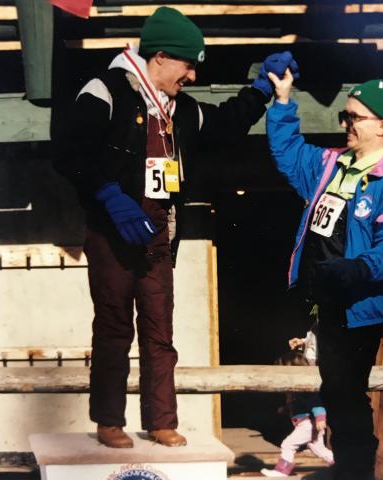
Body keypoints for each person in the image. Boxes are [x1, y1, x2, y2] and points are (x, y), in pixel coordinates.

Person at [53, 7, 299, 449]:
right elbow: (72, 152)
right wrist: (110, 195)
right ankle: (109, 420)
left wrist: (261, 88)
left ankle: (160, 420)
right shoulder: (106, 90)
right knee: (113, 329)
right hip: (113, 233)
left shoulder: (177, 109)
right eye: (188, 66)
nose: (191, 76)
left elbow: (223, 124)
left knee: (160, 332)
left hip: (157, 238)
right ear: (161, 57)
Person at [266, 69, 383, 479]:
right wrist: (283, 99)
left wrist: (358, 268)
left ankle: (356, 472)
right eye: (346, 115)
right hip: (327, 299)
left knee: (346, 395)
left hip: (360, 306)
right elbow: (288, 152)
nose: (345, 123)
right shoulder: (333, 164)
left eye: (354, 117)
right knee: (336, 392)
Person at [261, 333, 334, 477]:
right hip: (309, 425)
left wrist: (320, 418)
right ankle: (339, 464)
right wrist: (286, 409)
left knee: (287, 444)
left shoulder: (303, 390)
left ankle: (281, 471)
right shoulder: (295, 392)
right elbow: (298, 405)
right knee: (319, 449)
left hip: (308, 425)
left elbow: (316, 403)